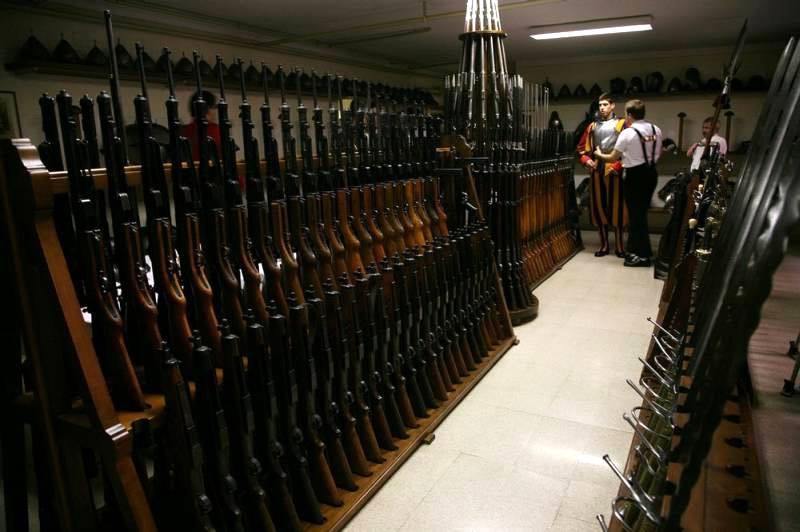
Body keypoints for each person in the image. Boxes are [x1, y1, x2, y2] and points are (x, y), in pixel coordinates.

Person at [594, 99, 662, 267]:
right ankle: (640, 252)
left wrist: (598, 154)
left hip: (635, 176)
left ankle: (641, 255)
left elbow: (612, 157)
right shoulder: (656, 130)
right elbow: (658, 151)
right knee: (641, 214)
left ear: (629, 115)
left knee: (635, 216)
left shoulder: (628, 133)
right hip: (651, 173)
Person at [576, 93, 627, 257]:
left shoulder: (622, 124)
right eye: (600, 105)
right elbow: (581, 149)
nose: (602, 108)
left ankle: (620, 246)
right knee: (599, 207)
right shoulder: (592, 126)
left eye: (605, 104)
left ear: (613, 105)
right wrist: (586, 160)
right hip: (597, 169)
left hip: (616, 169)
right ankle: (604, 245)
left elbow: (629, 148)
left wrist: (619, 165)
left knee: (617, 208)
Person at [182, 90, 220, 162]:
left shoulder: (183, 131)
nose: (215, 111)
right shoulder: (217, 130)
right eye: (214, 107)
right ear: (208, 109)